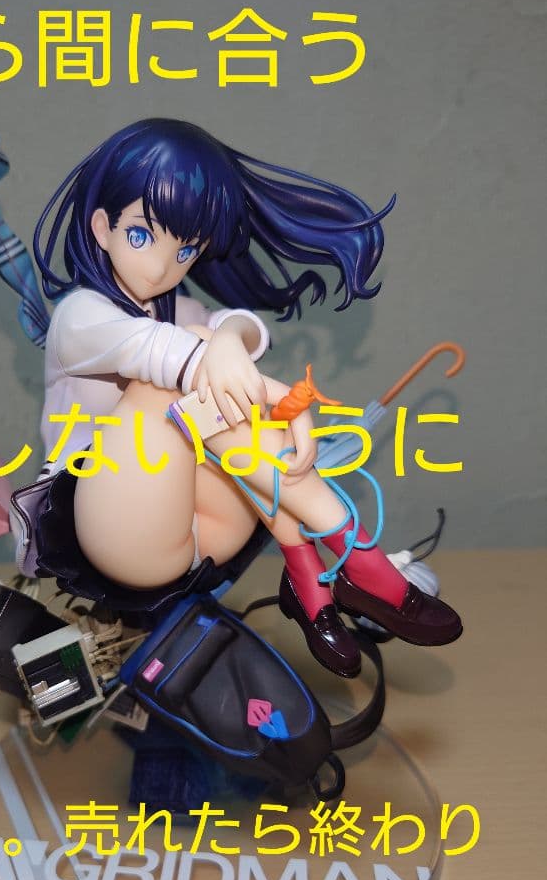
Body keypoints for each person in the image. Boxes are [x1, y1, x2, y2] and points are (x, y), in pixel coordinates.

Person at [26, 118, 462, 676]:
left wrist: (230, 339)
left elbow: (240, 330)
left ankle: (307, 570)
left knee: (203, 348)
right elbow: (166, 356)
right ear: (101, 227)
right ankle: (355, 555)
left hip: (206, 526)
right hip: (115, 530)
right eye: (140, 235)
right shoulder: (81, 317)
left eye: (185, 250)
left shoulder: (177, 310)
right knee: (167, 380)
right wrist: (274, 394)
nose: (161, 267)